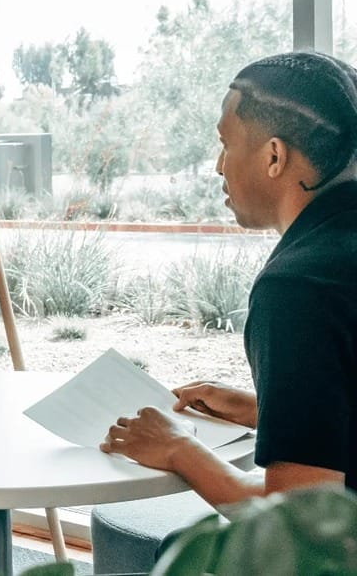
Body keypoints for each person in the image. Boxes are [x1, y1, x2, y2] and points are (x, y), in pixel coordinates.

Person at [101, 51, 357, 506]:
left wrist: (178, 448)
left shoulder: (298, 287)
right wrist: (266, 412)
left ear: (274, 156)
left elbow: (301, 526)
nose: (219, 166)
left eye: (226, 143)